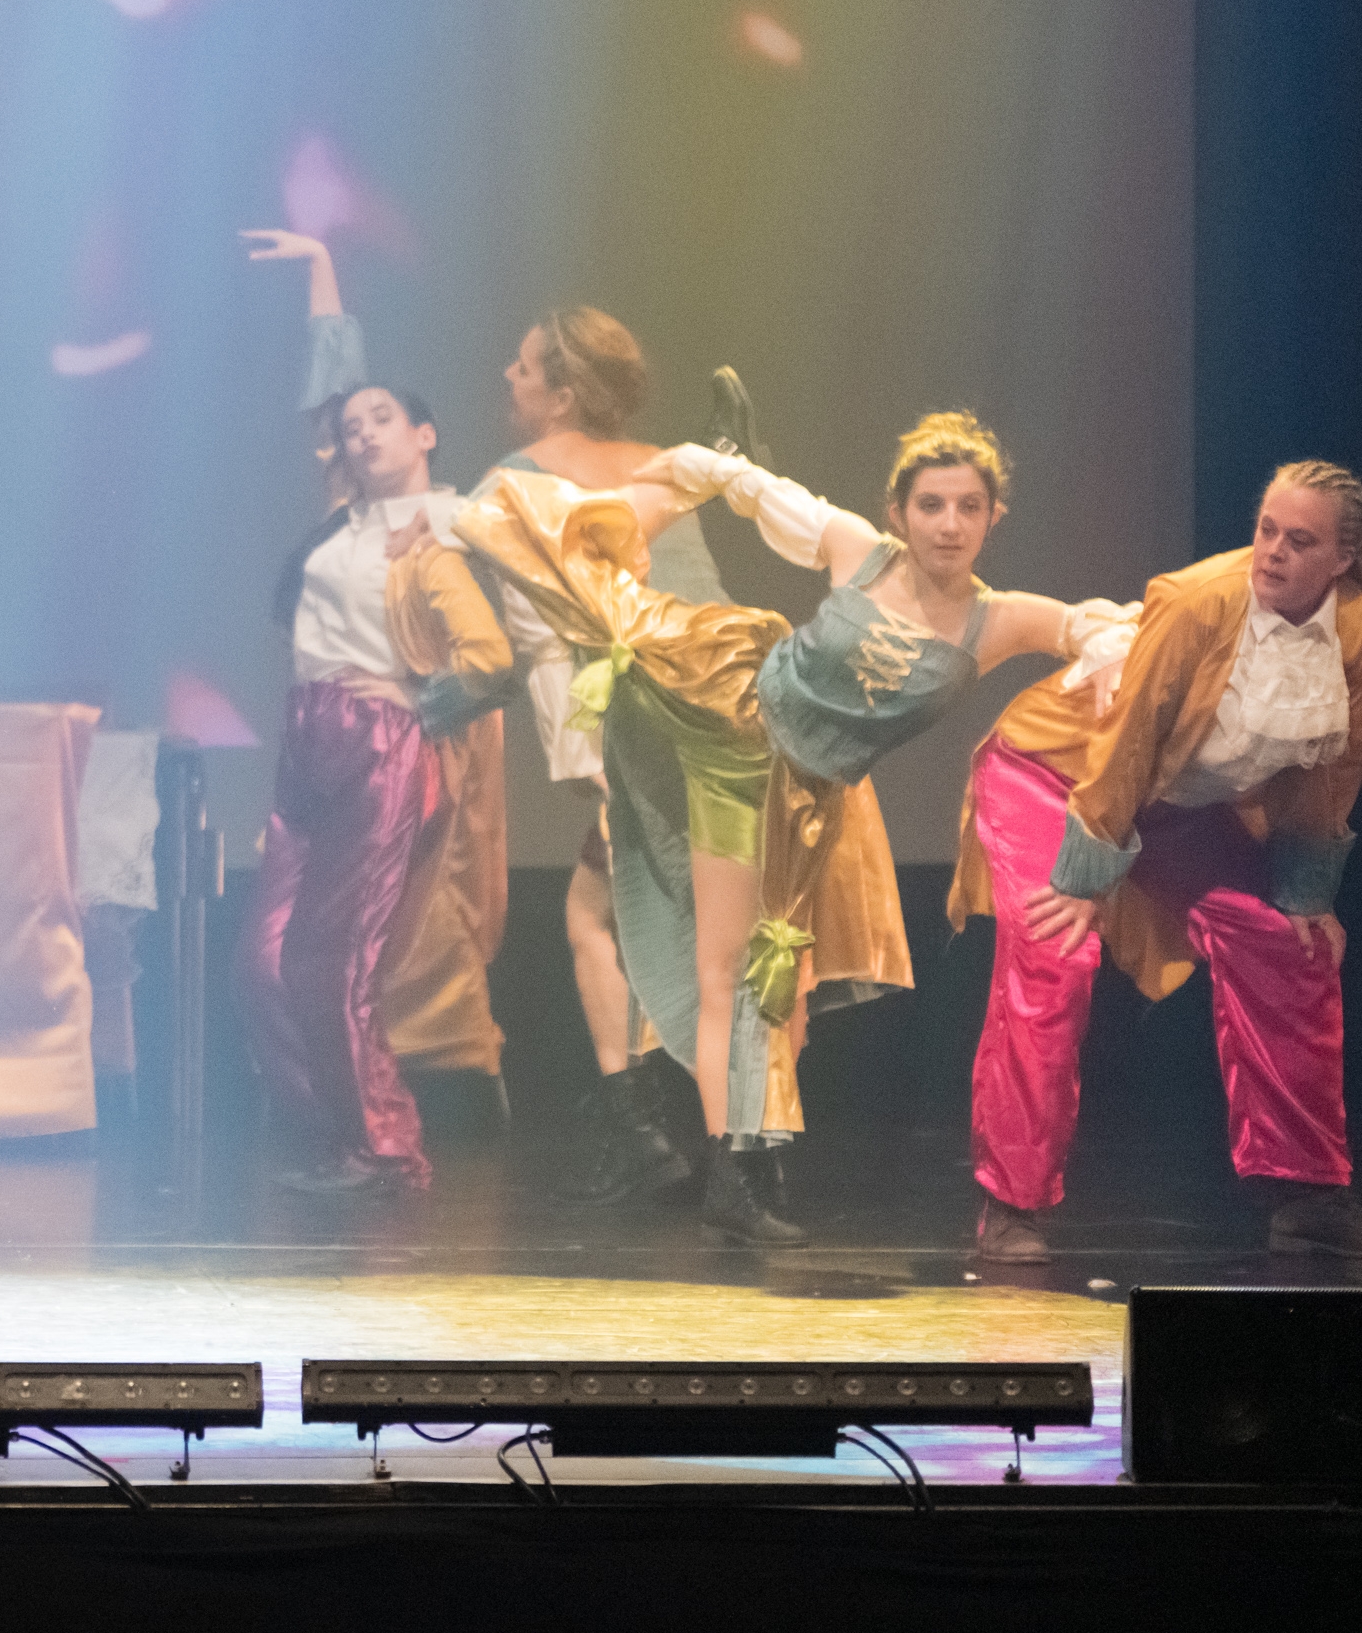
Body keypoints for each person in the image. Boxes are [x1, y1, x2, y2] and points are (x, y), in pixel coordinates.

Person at [455, 410, 1119, 1241]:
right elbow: (746, 486)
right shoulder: (858, 549)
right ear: (898, 511)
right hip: (731, 726)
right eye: (930, 504)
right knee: (727, 967)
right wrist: (686, 474)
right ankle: (732, 1175)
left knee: (782, 989)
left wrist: (1109, 647)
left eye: (968, 506)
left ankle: (752, 1152)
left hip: (808, 798)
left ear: (994, 517)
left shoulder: (998, 619)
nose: (949, 524)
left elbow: (1093, 622)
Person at [954, 462, 1362, 1263]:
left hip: (1173, 802)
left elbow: (1335, 768)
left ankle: (1307, 1193)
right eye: (1266, 530)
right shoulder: (1197, 600)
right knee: (1056, 949)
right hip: (1057, 771)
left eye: (1299, 540)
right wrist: (1087, 877)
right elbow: (1127, 737)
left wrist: (1307, 891)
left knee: (1290, 942)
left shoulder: (1354, 637)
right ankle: (1010, 1202)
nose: (1273, 551)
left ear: (1342, 560)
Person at [240, 232, 512, 1194]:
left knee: (336, 959)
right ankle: (331, 1125)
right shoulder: (344, 515)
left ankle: (386, 1145)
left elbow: (491, 659)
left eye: (383, 420)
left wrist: (415, 714)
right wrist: (321, 265)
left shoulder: (446, 528)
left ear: (425, 435)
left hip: (381, 743)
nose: (361, 434)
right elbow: (332, 391)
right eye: (353, 428)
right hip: (308, 738)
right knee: (264, 961)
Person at [488, 307, 740, 1203]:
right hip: (718, 704)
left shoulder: (518, 478)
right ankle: (712, 1139)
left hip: (637, 718)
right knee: (676, 921)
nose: (508, 377)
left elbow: (541, 632)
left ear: (563, 393)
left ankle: (650, 1129)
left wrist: (583, 758)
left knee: (604, 918)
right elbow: (705, 602)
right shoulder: (662, 463)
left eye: (524, 367)